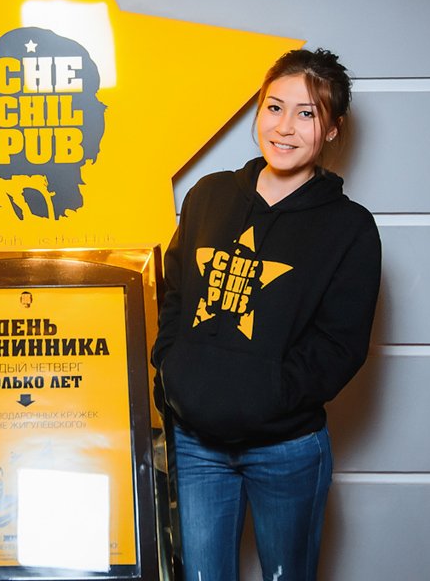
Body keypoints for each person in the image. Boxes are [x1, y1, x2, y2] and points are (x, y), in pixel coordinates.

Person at [151, 48, 381, 581]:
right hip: (196, 444)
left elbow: (341, 345)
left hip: (287, 449)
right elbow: (175, 292)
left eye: (307, 114)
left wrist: (269, 395)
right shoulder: (208, 196)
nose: (284, 127)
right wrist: (173, 370)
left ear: (332, 130)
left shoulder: (350, 228)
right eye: (275, 107)